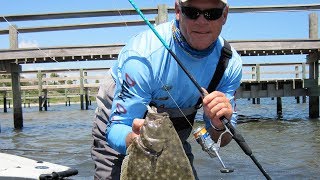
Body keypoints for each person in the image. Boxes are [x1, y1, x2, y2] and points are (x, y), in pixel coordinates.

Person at [91, 0, 242, 179]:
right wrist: (137, 142)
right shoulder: (141, 57)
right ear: (178, 11)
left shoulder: (228, 64)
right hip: (125, 123)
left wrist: (218, 126)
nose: (202, 21)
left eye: (212, 14)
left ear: (224, 15)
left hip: (172, 133)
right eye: (192, 12)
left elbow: (222, 140)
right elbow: (117, 129)